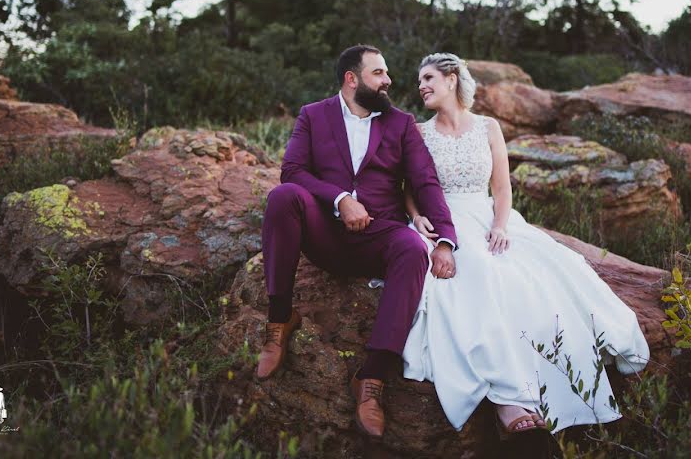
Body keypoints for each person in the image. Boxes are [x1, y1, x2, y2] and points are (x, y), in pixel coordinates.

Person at [402, 53, 649, 435]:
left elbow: (501, 186)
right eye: (420, 80)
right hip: (443, 220)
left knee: (543, 275)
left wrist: (500, 226)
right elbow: (409, 187)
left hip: (484, 215)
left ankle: (557, 381)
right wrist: (417, 216)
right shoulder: (419, 132)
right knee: (480, 272)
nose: (422, 86)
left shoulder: (487, 127)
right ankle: (507, 396)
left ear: (452, 80)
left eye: (429, 77)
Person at [258, 44, 459, 438]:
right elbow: (292, 170)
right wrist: (340, 198)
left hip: (377, 238)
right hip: (325, 235)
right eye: (379, 73)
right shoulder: (313, 116)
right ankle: (279, 319)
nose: (388, 81)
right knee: (283, 197)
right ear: (352, 79)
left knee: (411, 248)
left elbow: (425, 181)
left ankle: (372, 379)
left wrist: (446, 239)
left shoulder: (400, 123)